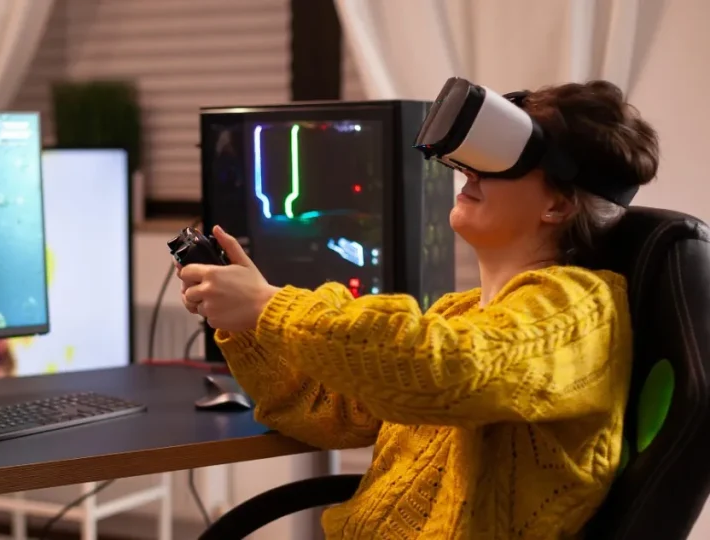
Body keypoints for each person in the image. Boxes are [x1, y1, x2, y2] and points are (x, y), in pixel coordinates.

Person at [176, 80, 658, 539]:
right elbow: (330, 412)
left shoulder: (579, 308)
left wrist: (268, 305)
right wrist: (246, 324)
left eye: (500, 159)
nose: (469, 170)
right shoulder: (461, 312)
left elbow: (447, 369)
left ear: (558, 206)